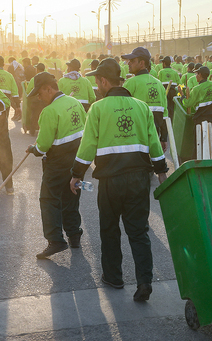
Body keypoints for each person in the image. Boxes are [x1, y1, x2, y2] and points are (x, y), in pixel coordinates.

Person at [70, 58, 168, 302]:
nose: (96, 86)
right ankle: (145, 280)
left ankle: (114, 277)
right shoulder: (141, 107)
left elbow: (88, 145)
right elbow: (154, 142)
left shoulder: (98, 108)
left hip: (111, 182)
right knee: (139, 231)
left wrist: (76, 174)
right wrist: (161, 170)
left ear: (104, 81)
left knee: (110, 229)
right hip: (138, 179)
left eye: (96, 81)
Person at [26, 72, 86, 258]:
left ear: (48, 88)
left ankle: (55, 240)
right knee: (71, 196)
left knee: (49, 198)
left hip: (58, 162)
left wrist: (33, 149)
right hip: (76, 161)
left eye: (40, 93)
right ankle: (74, 235)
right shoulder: (74, 102)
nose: (39, 97)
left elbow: (43, 145)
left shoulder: (50, 111)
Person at [121, 47, 168, 150]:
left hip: (135, 138)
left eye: (132, 61)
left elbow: (121, 111)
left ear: (141, 63)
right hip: (154, 138)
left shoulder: (130, 83)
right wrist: (164, 138)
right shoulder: (159, 84)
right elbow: (164, 115)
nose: (128, 63)